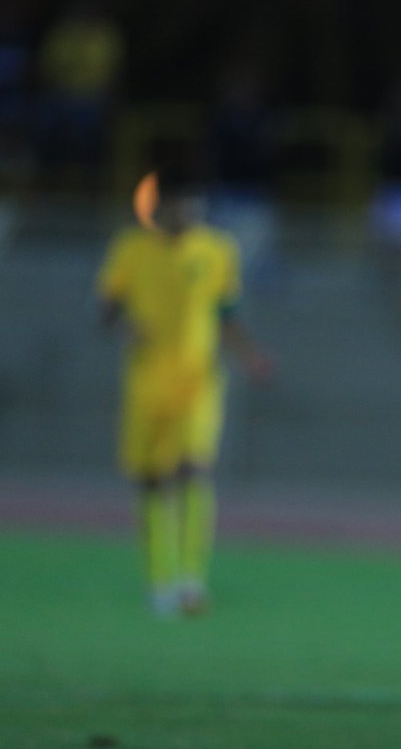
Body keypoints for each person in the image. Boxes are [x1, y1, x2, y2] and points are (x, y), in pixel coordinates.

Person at [97, 165, 272, 617]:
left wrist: (249, 355)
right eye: (181, 203)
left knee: (194, 469)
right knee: (152, 481)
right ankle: (161, 581)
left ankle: (192, 581)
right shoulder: (131, 249)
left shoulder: (216, 250)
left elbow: (225, 311)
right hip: (146, 379)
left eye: (196, 203)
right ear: (162, 207)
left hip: (198, 379)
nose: (190, 211)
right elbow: (106, 309)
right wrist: (124, 325)